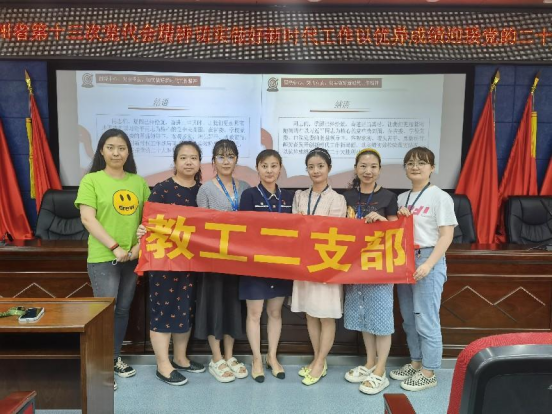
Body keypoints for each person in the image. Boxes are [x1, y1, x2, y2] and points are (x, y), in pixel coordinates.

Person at [75, 128, 150, 391]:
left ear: (128, 152)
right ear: (101, 151)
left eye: (121, 148)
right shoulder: (91, 180)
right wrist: (115, 247)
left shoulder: (138, 182)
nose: (116, 153)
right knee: (104, 313)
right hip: (104, 257)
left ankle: (114, 358)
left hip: (132, 257)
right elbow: (88, 219)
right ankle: (101, 366)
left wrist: (138, 247)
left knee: (122, 310)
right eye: (111, 147)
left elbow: (149, 220)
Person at [136, 141, 206, 386]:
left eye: (193, 158)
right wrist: (143, 230)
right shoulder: (162, 189)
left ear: (199, 162)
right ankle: (163, 365)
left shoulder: (203, 192)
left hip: (191, 262)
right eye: (183, 157)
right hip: (164, 261)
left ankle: (180, 358)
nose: (189, 162)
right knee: (164, 309)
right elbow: (148, 222)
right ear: (175, 162)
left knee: (185, 308)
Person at [389, 146, 457, 392]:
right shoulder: (401, 198)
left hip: (428, 259)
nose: (415, 167)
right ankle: (416, 362)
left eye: (421, 162)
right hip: (405, 260)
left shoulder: (440, 197)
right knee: (409, 318)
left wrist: (429, 264)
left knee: (426, 317)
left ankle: (429, 371)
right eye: (410, 163)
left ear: (432, 168)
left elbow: (446, 236)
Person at [342, 148, 398, 395]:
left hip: (380, 266)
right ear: (356, 169)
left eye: (373, 166)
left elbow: (397, 233)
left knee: (382, 319)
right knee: (365, 316)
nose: (368, 171)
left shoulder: (388, 197)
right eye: (363, 166)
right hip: (355, 266)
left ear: (379, 170)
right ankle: (369, 362)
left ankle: (380, 370)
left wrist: (383, 223)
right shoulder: (347, 197)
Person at [194, 139, 250, 383]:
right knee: (214, 305)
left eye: (230, 156)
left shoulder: (245, 187)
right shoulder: (206, 189)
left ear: (236, 160)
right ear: (213, 161)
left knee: (233, 307)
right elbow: (201, 227)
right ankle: (216, 357)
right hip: (214, 260)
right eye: (221, 156)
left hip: (238, 259)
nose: (226, 161)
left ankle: (229, 355)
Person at [291, 147, 347, 386]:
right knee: (310, 313)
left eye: (320, 166)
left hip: (326, 264)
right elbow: (294, 228)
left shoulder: (337, 199)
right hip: (304, 263)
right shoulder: (299, 196)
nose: (316, 171)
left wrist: (308, 224)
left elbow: (333, 231)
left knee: (326, 315)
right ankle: (317, 360)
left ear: (329, 168)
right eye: (311, 167)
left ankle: (321, 361)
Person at [238, 149, 293, 383]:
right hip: (255, 265)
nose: (269, 171)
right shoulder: (249, 195)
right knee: (254, 313)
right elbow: (244, 229)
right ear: (257, 168)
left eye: (273, 166)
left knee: (275, 312)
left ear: (280, 168)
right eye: (264, 166)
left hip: (280, 265)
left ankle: (272, 356)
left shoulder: (288, 197)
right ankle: (256, 359)